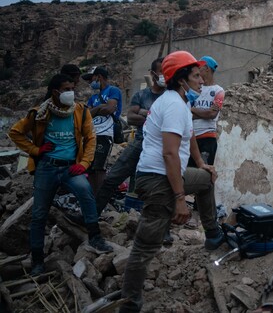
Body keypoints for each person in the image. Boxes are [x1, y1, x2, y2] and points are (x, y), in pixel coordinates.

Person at [120, 51, 223, 313]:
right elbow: (169, 153)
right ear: (181, 80)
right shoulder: (175, 106)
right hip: (157, 180)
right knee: (146, 246)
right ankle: (129, 304)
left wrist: (201, 165)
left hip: (165, 174)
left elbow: (189, 137)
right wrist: (179, 199)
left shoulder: (180, 103)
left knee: (207, 179)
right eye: (196, 76)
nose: (202, 81)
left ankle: (212, 234)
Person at [9, 74, 113, 276]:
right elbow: (15, 132)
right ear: (56, 91)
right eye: (66, 89)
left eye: (72, 88)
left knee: (86, 193)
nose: (70, 93)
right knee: (39, 213)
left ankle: (95, 237)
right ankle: (37, 259)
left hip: (70, 168)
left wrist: (84, 164)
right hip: (46, 168)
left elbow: (91, 138)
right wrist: (35, 150)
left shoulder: (80, 111)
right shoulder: (40, 113)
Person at [67, 59, 169, 241]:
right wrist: (155, 118)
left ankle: (163, 231)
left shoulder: (171, 97)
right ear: (153, 74)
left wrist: (145, 115)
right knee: (111, 179)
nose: (164, 76)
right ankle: (89, 218)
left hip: (162, 146)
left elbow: (165, 121)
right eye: (161, 72)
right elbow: (130, 118)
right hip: (140, 141)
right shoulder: (141, 95)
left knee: (160, 188)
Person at [84, 67, 122, 195]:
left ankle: (99, 200)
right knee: (90, 168)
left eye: (91, 79)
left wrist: (97, 109)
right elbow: (87, 114)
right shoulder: (93, 97)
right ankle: (91, 198)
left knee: (100, 168)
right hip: (91, 135)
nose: (90, 82)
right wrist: (100, 106)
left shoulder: (113, 90)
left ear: (98, 77)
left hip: (105, 134)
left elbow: (110, 109)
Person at [189, 55, 224, 166]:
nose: (197, 71)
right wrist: (204, 113)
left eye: (200, 68)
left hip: (208, 138)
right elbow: (186, 114)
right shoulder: (194, 89)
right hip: (192, 137)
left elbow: (212, 114)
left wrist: (192, 109)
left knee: (204, 172)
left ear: (207, 69)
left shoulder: (219, 91)